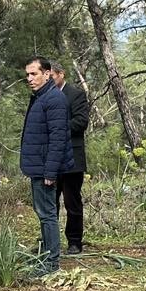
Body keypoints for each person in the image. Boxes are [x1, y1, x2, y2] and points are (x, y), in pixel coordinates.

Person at [20, 56, 74, 275]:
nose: (29, 78)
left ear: (47, 73)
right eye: (27, 74)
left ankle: (51, 263)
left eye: (34, 74)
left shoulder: (54, 100)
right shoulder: (40, 97)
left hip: (45, 168)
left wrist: (50, 172)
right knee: (43, 212)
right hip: (38, 166)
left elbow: (58, 138)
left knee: (48, 214)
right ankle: (46, 256)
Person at [51, 65, 91, 255]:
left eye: (51, 76)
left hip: (72, 158)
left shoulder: (75, 95)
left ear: (61, 74)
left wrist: (57, 128)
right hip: (50, 158)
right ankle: (49, 241)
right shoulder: (43, 95)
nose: (49, 80)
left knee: (71, 202)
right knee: (49, 201)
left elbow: (81, 122)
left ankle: (75, 241)